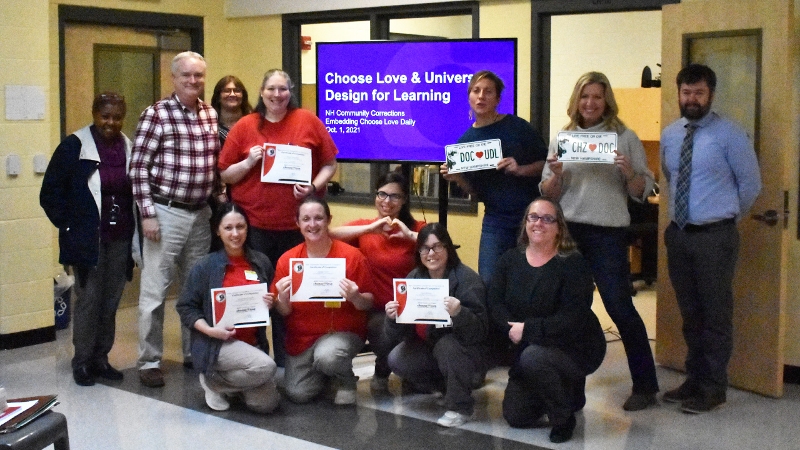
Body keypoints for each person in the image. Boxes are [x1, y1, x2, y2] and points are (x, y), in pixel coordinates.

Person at [539, 71, 659, 411]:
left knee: (619, 306)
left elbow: (644, 191)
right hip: (569, 232)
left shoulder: (624, 137)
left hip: (607, 233)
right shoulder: (564, 137)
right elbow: (549, 192)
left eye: (597, 96)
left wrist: (629, 173)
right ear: (576, 100)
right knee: (569, 308)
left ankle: (646, 386)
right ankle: (567, 383)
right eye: (585, 96)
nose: (590, 103)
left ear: (607, 101)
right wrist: (556, 176)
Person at [219, 69, 338, 368]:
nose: (277, 95)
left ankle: (290, 363)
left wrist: (313, 186)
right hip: (255, 228)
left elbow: (330, 163)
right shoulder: (245, 126)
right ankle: (257, 359)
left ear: (290, 92)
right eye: (271, 89)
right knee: (258, 296)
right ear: (261, 92)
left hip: (298, 230)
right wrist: (249, 161)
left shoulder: (307, 120)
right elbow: (224, 173)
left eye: (283, 89)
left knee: (292, 297)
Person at [660, 64, 761, 414]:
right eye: (686, 93)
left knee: (715, 315)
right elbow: (670, 179)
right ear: (678, 94)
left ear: (710, 94)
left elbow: (751, 186)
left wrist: (724, 217)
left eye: (698, 93)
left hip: (715, 237)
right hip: (679, 235)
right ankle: (695, 378)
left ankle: (713, 387)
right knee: (690, 313)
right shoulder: (671, 135)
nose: (692, 99)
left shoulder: (731, 134)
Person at [129, 51, 226, 388]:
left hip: (200, 214)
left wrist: (220, 197)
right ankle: (149, 360)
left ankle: (193, 353)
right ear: (174, 78)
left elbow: (212, 163)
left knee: (195, 290)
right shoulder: (156, 114)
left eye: (199, 75)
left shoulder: (210, 114)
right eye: (186, 75)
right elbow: (138, 167)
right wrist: (147, 214)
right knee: (155, 293)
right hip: (164, 213)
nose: (193, 81)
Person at [490, 198, 606, 443]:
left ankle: (563, 418)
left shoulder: (573, 264)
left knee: (534, 357)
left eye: (547, 218)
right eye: (533, 217)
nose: (539, 223)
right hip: (528, 345)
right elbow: (495, 302)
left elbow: (574, 318)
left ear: (559, 227)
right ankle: (565, 391)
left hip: (573, 347)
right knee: (516, 415)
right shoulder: (510, 260)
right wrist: (510, 327)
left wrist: (528, 329)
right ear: (525, 223)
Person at [40, 92, 135, 387]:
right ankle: (81, 361)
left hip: (120, 237)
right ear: (94, 114)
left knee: (110, 301)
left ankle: (101, 358)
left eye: (117, 117)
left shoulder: (127, 146)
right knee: (89, 301)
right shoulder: (74, 146)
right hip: (87, 240)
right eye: (105, 116)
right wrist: (69, 226)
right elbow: (49, 194)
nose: (111, 122)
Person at [439, 70, 548, 286]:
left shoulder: (518, 127)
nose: (481, 97)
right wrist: (458, 178)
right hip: (496, 219)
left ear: (498, 99)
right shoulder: (464, 144)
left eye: (488, 92)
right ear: (469, 97)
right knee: (489, 281)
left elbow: (546, 165)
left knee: (532, 281)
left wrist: (520, 169)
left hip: (530, 216)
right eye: (476, 91)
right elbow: (476, 193)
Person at [176, 203, 280, 413]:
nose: (235, 234)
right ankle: (213, 381)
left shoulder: (260, 262)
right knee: (267, 367)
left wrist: (271, 303)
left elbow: (263, 310)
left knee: (267, 404)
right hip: (217, 344)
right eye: (228, 228)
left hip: (252, 344)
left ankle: (228, 387)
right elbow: (186, 307)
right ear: (218, 231)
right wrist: (210, 330)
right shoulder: (205, 266)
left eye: (240, 227)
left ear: (247, 228)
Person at [271, 197, 375, 405]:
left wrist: (355, 296)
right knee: (298, 394)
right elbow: (283, 311)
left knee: (328, 356)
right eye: (306, 219)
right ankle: (328, 376)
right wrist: (281, 299)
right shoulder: (288, 260)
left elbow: (369, 302)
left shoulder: (352, 256)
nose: (312, 224)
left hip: (341, 335)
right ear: (297, 223)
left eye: (318, 218)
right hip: (302, 339)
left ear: (328, 220)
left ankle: (346, 381)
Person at [383, 223, 488, 428]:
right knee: (397, 358)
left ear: (448, 248)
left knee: (447, 346)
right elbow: (396, 334)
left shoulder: (467, 279)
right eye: (425, 248)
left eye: (437, 246)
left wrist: (460, 313)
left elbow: (481, 333)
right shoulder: (414, 278)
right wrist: (393, 317)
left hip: (466, 350)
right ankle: (443, 387)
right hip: (429, 347)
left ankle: (461, 406)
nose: (431, 253)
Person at [329, 171, 425, 392]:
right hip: (378, 310)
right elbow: (328, 234)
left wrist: (410, 236)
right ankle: (383, 367)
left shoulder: (417, 229)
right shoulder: (366, 228)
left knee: (418, 382)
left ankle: (406, 367)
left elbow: (442, 245)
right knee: (382, 330)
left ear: (404, 200)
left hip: (412, 310)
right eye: (382, 194)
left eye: (394, 196)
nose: (387, 201)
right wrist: (369, 229)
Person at [210, 75, 253, 147]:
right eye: (227, 91)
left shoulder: (253, 123)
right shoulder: (210, 124)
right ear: (218, 97)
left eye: (237, 91)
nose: (232, 94)